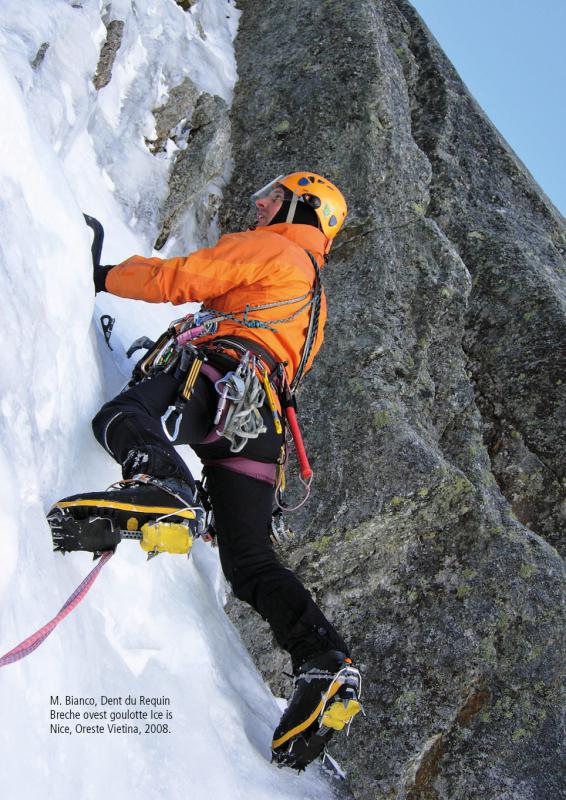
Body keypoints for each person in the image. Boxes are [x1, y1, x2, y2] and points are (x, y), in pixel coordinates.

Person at [48, 171, 362, 770]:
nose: (259, 205)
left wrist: (97, 274)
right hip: (259, 422)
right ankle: (323, 660)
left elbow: (181, 278)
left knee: (122, 416)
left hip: (215, 378)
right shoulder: (315, 297)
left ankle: (162, 483)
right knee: (251, 564)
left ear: (301, 207)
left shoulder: (275, 248)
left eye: (271, 198)